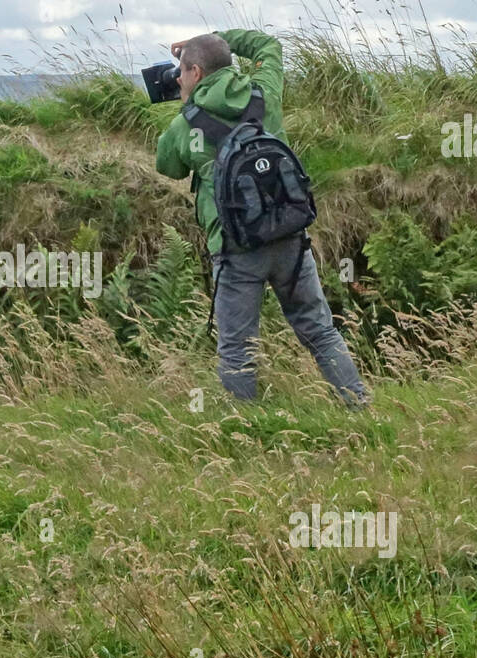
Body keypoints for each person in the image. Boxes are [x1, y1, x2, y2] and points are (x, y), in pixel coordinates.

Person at [155, 29, 369, 406]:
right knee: (320, 332)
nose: (178, 78)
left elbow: (167, 165)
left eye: (182, 71)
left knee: (237, 349)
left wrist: (187, 107)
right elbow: (268, 45)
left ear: (196, 74)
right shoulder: (263, 90)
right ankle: (360, 407)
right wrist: (216, 37)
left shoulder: (185, 124)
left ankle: (245, 435)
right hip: (289, 237)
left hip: (235, 247)